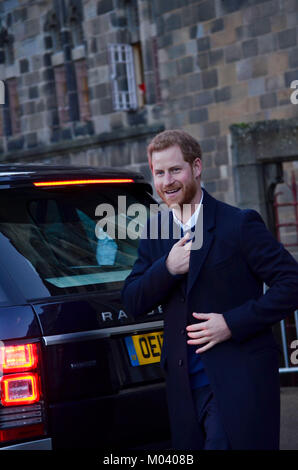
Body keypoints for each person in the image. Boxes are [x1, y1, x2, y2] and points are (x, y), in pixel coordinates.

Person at [121, 129, 298, 450]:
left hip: (238, 381)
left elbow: (292, 283)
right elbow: (132, 300)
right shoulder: (155, 231)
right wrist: (167, 268)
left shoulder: (239, 224)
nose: (167, 181)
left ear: (197, 167)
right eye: (159, 173)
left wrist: (231, 323)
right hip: (184, 391)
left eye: (175, 170)